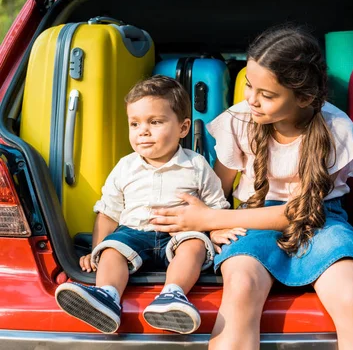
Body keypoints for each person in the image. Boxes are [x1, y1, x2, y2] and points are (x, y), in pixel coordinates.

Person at [150, 25, 353, 350]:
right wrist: (215, 222)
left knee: (352, 294)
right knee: (241, 287)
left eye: (267, 94)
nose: (251, 99)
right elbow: (217, 190)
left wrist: (209, 220)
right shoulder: (239, 120)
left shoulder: (336, 130)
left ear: (304, 96)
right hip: (248, 219)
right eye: (249, 85)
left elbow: (299, 214)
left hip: (322, 223)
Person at [55, 75, 231, 335]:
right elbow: (108, 212)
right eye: (134, 124)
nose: (143, 131)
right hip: (133, 233)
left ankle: (173, 295)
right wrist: (96, 252)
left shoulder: (196, 165)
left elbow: (216, 207)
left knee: (194, 245)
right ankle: (106, 296)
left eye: (155, 122)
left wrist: (215, 231)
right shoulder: (125, 166)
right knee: (112, 250)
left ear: (183, 128)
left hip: (179, 234)